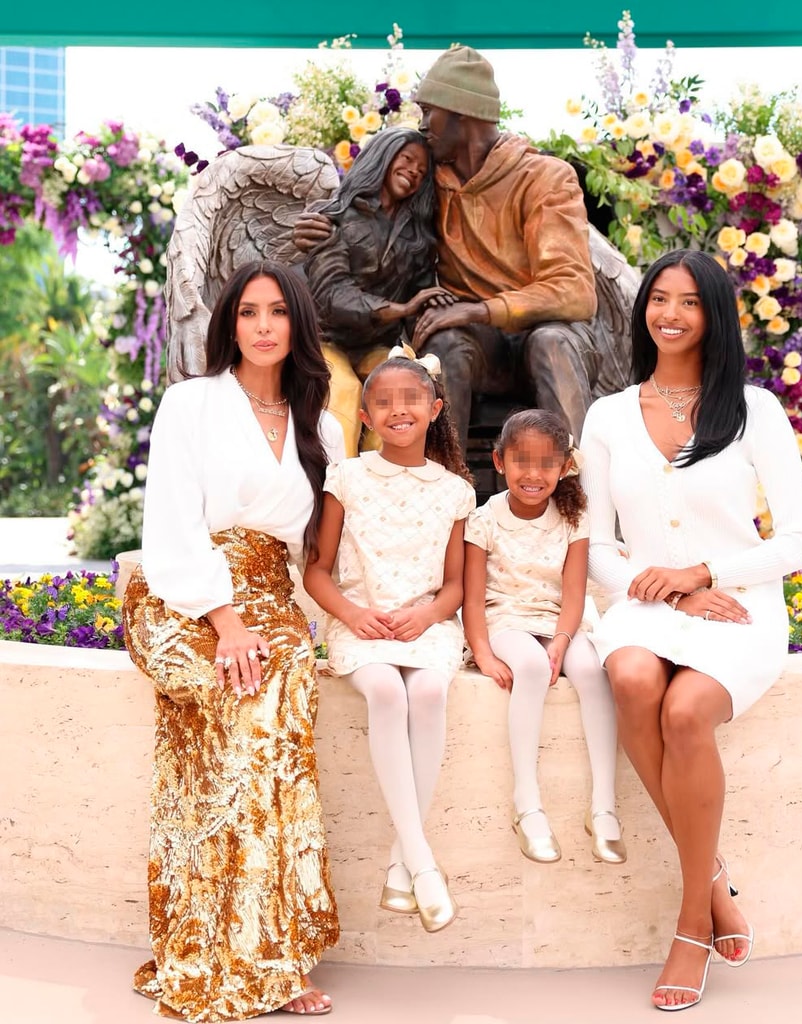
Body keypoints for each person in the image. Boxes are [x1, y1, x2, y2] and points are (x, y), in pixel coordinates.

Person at [579, 249, 802, 1011]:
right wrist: (668, 593)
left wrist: (705, 575)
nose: (671, 314)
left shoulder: (755, 411)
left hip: (737, 605)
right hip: (645, 602)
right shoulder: (608, 415)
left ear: (714, 315)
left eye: (689, 302)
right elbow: (592, 543)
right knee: (632, 678)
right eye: (659, 299)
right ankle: (712, 881)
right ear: (643, 309)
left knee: (685, 713)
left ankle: (690, 926)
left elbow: (801, 542)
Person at [123, 261, 345, 1020]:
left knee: (279, 695)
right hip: (181, 592)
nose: (262, 326)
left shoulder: (323, 423)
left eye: (278, 311)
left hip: (270, 597)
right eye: (248, 311)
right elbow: (173, 523)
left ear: (297, 324)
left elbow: (328, 547)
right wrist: (225, 621)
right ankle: (216, 943)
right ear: (230, 323)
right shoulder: (191, 403)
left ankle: (272, 953)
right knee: (240, 691)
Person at [295, 44, 600, 446]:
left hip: (546, 334)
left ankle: (575, 488)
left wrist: (477, 309)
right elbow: (367, 210)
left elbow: (575, 292)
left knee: (551, 343)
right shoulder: (428, 182)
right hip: (475, 343)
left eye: (428, 112)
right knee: (442, 345)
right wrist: (322, 223)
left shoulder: (545, 178)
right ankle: (442, 488)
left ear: (461, 112)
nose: (422, 126)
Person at [302, 348, 475, 934]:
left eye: (411, 399)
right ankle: (421, 865)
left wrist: (427, 616)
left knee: (427, 694)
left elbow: (454, 586)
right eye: (383, 402)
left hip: (425, 625)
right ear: (367, 418)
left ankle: (403, 865)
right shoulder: (346, 477)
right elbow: (318, 571)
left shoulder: (455, 491)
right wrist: (353, 612)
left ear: (435, 408)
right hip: (360, 623)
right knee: (385, 692)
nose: (398, 409)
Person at [462, 409, 626, 866]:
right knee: (531, 668)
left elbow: (574, 593)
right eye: (521, 462)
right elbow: (472, 600)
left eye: (546, 463)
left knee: (593, 670)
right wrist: (482, 652)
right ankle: (527, 804)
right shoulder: (483, 519)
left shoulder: (574, 519)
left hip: (559, 617)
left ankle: (604, 805)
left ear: (564, 467)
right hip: (505, 618)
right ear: (499, 462)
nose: (533, 474)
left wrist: (561, 639)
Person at [304, 127, 453, 457]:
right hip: (326, 340)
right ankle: (339, 493)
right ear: (383, 156)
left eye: (421, 171)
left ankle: (388, 490)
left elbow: (423, 294)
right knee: (343, 391)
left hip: (378, 344)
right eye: (407, 160)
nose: (413, 172)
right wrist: (401, 309)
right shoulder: (335, 217)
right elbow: (331, 295)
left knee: (399, 391)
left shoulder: (417, 238)